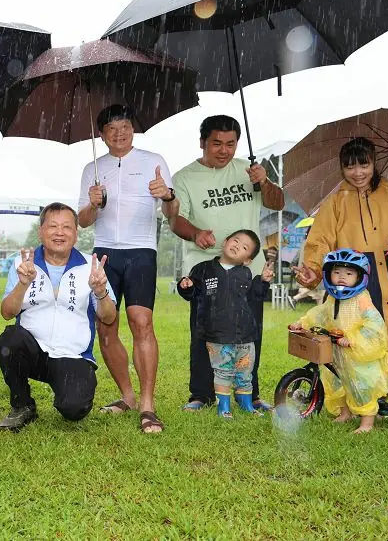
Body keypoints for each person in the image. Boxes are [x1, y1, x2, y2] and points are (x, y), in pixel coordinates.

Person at [294, 137, 388, 378]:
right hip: (356, 277)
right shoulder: (334, 204)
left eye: (364, 165)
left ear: (374, 163)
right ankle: (363, 392)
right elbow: (320, 240)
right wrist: (313, 268)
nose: (358, 173)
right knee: (358, 331)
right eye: (350, 166)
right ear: (342, 168)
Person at [167, 115, 285, 412]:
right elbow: (174, 219)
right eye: (216, 143)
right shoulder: (184, 177)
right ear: (202, 143)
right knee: (204, 332)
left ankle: (251, 394)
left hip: (249, 270)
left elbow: (277, 202)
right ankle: (201, 394)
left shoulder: (250, 170)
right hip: (206, 268)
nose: (224, 150)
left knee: (250, 333)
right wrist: (195, 233)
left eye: (230, 144)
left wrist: (265, 181)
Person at [77, 104, 174, 434]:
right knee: (106, 326)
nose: (119, 133)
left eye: (125, 126)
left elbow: (172, 211)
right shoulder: (93, 168)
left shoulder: (153, 161)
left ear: (133, 128)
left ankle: (148, 404)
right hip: (104, 252)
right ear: (101, 135)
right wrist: (92, 202)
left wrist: (167, 194)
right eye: (111, 128)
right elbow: (83, 221)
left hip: (141, 252)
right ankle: (128, 396)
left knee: (141, 322)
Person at [0, 203, 117, 431]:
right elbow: (6, 313)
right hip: (33, 351)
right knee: (9, 340)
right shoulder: (23, 263)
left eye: (66, 227)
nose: (59, 233)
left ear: (76, 233)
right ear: (41, 231)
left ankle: (67, 392)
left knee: (74, 408)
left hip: (73, 354)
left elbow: (109, 317)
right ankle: (22, 405)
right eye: (52, 226)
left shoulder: (90, 266)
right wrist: (23, 284)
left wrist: (101, 292)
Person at [289, 249, 388, 434]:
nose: (341, 277)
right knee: (339, 382)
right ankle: (346, 413)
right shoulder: (333, 298)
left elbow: (374, 326)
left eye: (348, 273)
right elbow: (321, 314)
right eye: (336, 272)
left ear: (359, 276)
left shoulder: (362, 300)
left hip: (357, 354)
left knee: (361, 385)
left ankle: (367, 423)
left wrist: (353, 339)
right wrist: (302, 323)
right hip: (338, 351)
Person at [177, 230, 273, 418]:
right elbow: (192, 293)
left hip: (242, 336)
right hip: (212, 334)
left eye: (244, 247)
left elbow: (255, 297)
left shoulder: (246, 274)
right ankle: (216, 403)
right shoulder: (203, 269)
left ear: (248, 260)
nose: (237, 245)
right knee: (220, 370)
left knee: (245, 371)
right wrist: (185, 286)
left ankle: (246, 403)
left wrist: (263, 281)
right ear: (225, 241)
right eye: (235, 240)